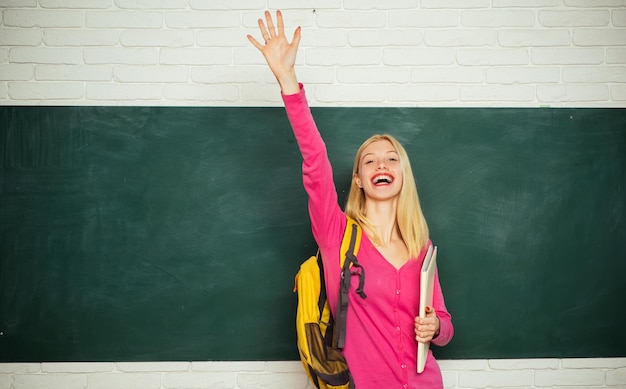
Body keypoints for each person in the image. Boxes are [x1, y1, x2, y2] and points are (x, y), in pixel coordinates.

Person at [248, 10, 454, 389]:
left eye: (392, 158)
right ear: (358, 179)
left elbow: (444, 325)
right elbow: (315, 162)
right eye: (370, 160)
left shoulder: (419, 247)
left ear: (402, 175)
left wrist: (436, 326)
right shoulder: (337, 236)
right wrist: (289, 83)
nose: (382, 163)